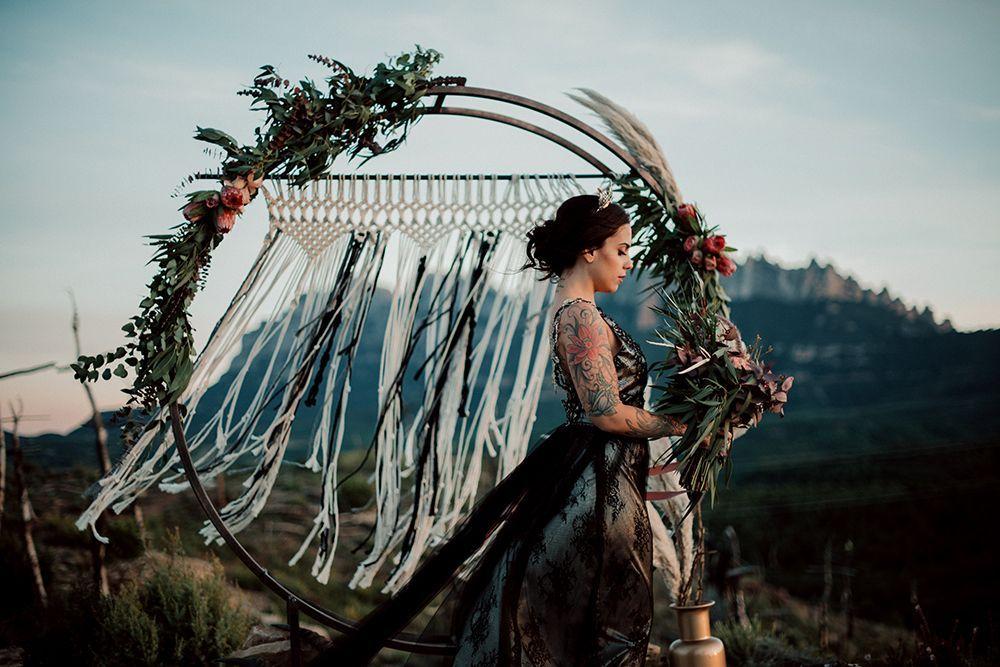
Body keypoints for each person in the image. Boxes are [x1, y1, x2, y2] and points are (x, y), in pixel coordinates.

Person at [314, 193, 689, 666]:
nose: (629, 262)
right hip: (597, 488)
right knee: (604, 622)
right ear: (589, 250)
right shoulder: (581, 316)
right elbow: (607, 413)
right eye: (621, 249)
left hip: (602, 477)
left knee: (595, 622)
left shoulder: (583, 313)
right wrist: (677, 423)